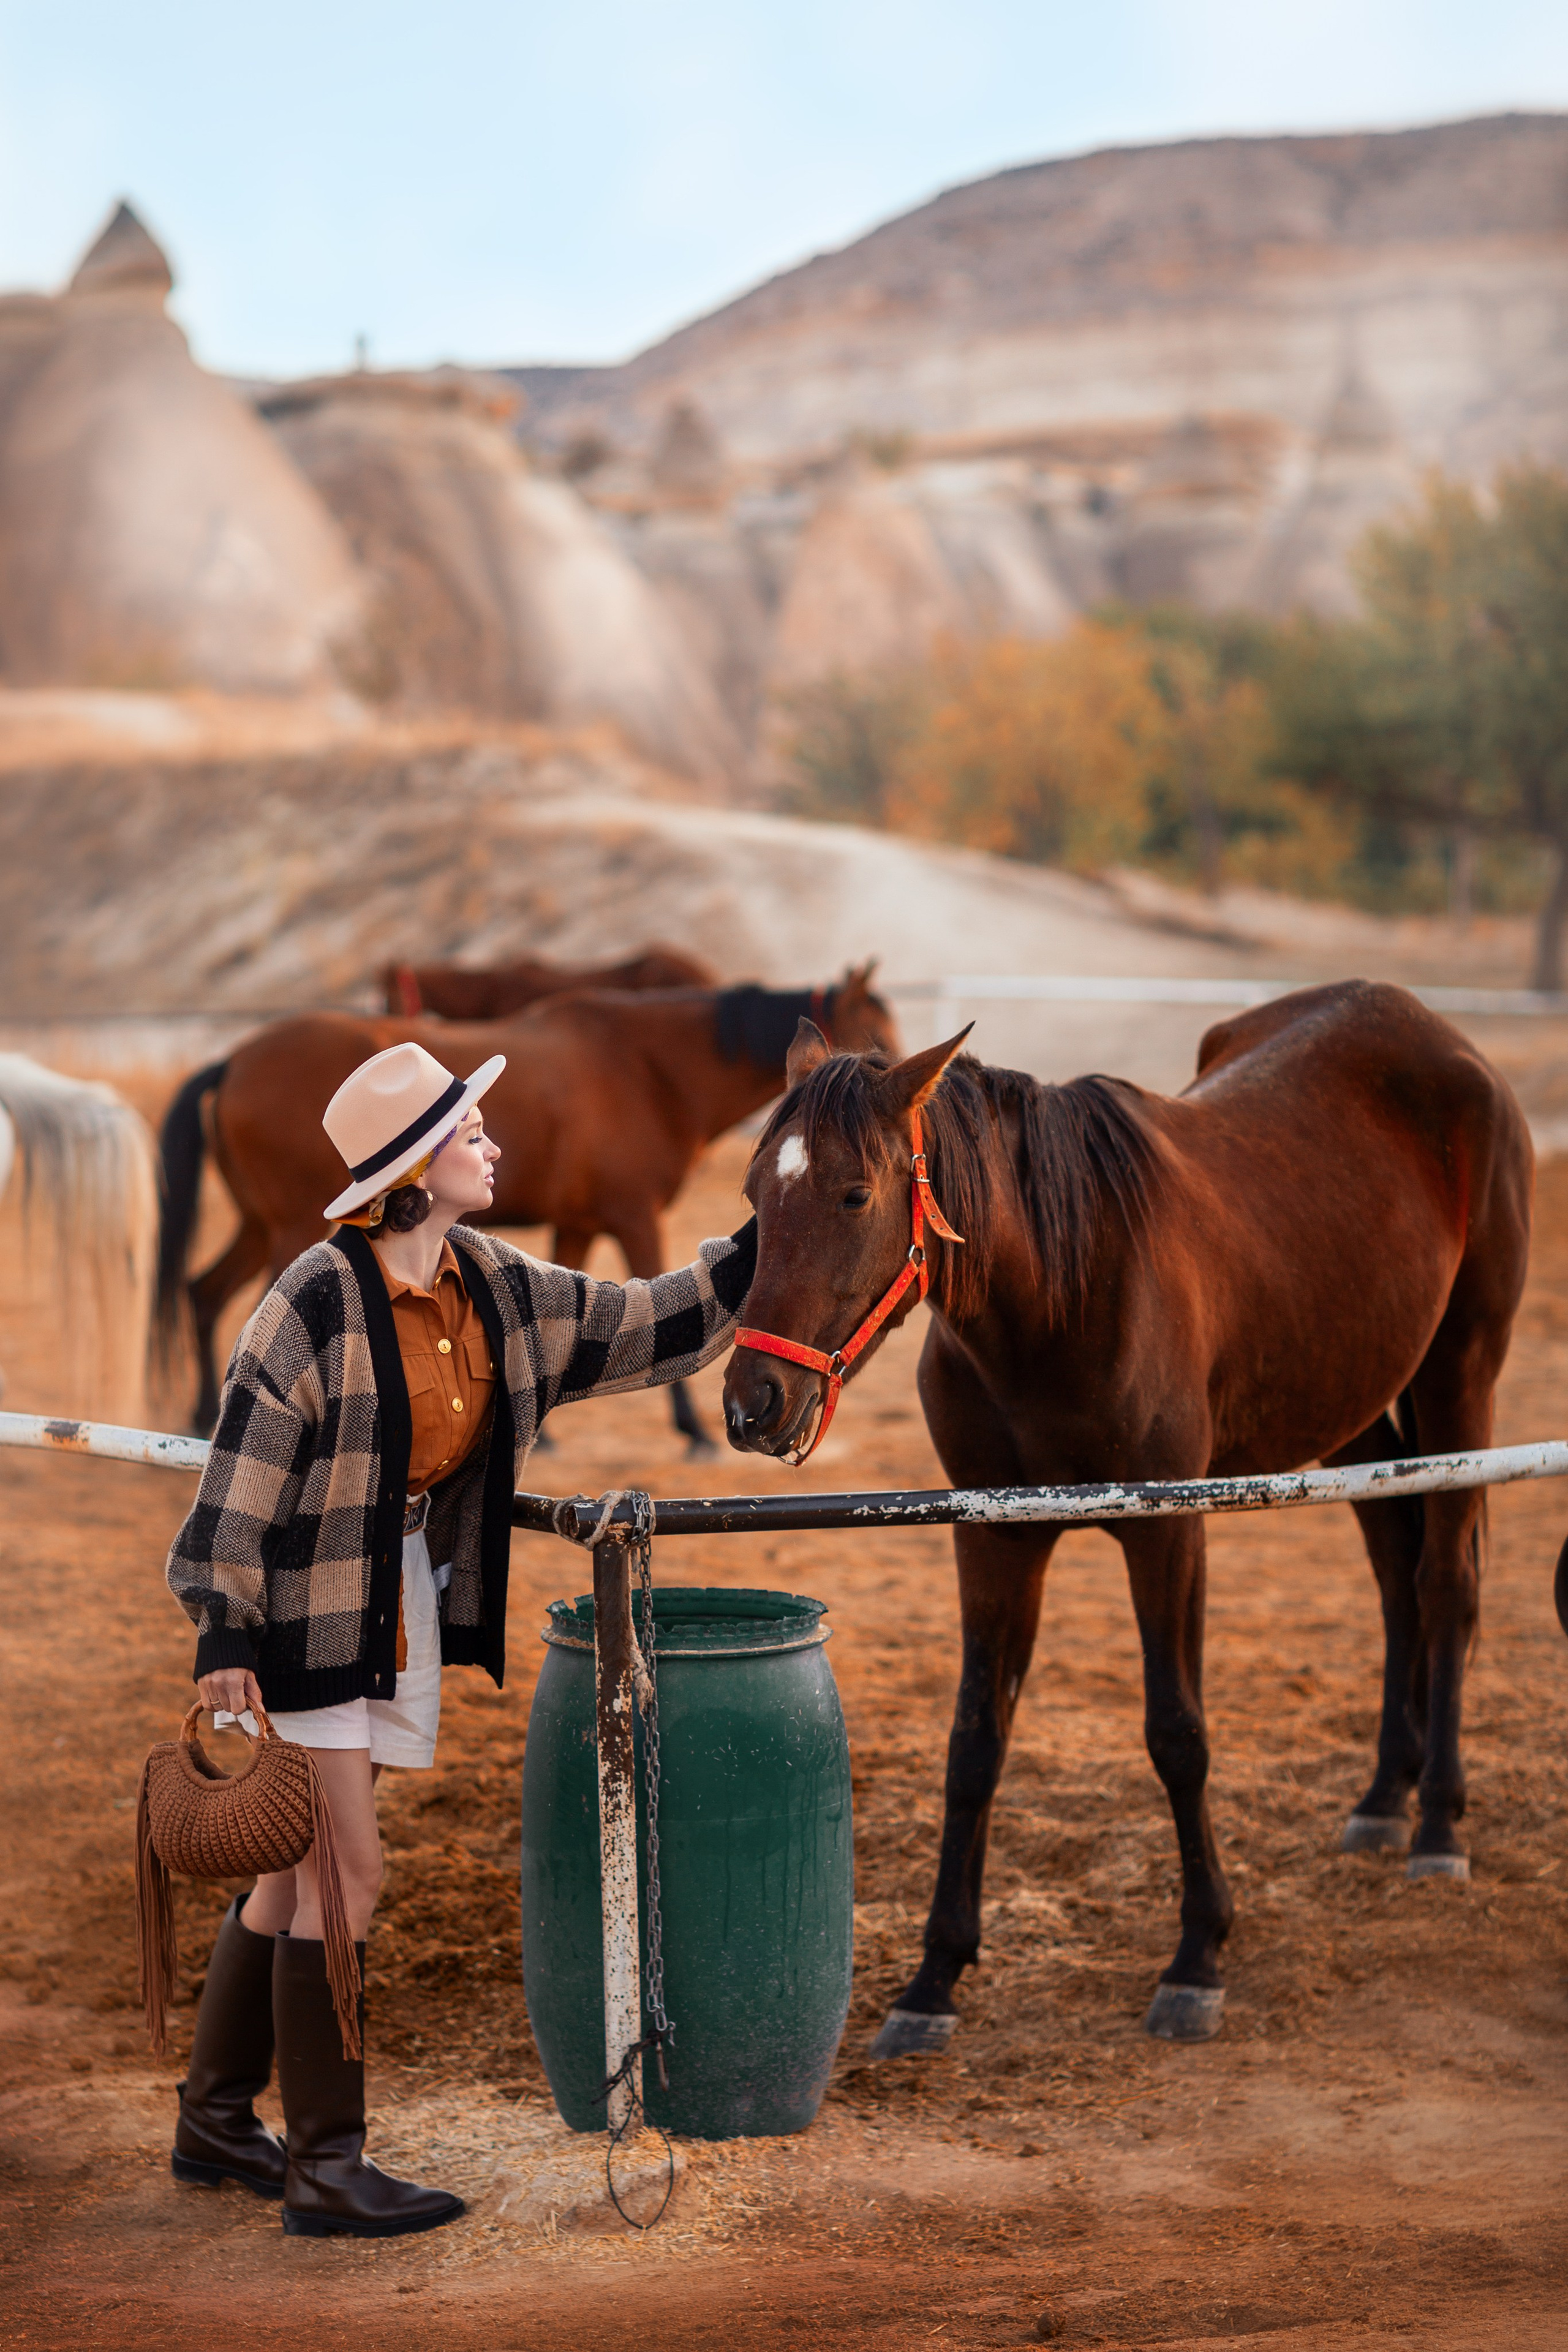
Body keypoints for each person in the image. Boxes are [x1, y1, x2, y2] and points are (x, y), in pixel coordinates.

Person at [164, 1040, 755, 2239]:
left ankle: (216, 2120)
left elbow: (642, 1323)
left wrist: (767, 1241)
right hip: (303, 1609)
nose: (494, 1146)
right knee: (348, 1875)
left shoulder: (490, 1280)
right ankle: (326, 2167)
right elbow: (243, 1465)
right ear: (413, 1169)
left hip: (398, 1600)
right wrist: (222, 1625)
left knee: (294, 1872)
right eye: (470, 1133)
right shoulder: (312, 1300)